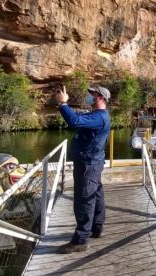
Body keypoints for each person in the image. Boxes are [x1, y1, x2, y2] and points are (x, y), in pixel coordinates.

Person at [53, 84, 111, 253]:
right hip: (92, 162)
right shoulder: (97, 115)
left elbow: (74, 121)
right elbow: (78, 119)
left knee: (84, 199)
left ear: (99, 98)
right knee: (96, 194)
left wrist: (63, 104)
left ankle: (81, 240)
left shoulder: (99, 117)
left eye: (92, 94)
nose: (89, 97)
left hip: (88, 164)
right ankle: (97, 227)